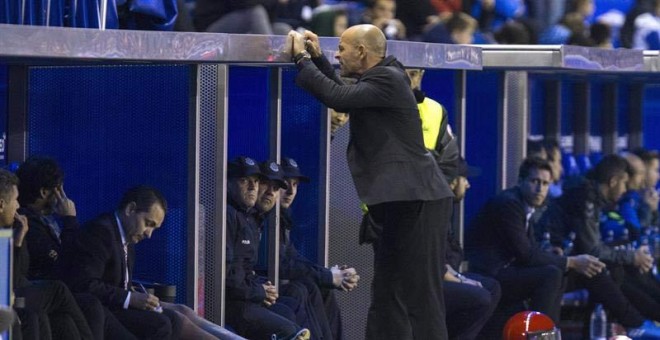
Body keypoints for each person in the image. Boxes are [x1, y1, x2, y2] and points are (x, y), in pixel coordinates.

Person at [288, 24, 454, 339]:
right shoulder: (381, 77)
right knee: (387, 291)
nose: (337, 55)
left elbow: (337, 95)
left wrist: (301, 60)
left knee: (421, 297)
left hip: (420, 201)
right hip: (399, 203)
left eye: (341, 49)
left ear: (362, 52)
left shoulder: (389, 79)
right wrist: (319, 59)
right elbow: (344, 93)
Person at [66, 186, 242, 339]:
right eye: (148, 223)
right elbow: (83, 284)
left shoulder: (127, 237)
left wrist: (137, 296)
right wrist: (130, 298)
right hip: (102, 311)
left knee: (178, 313)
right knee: (162, 324)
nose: (149, 234)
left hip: (116, 305)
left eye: (154, 228)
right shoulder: (100, 232)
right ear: (130, 209)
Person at [464, 158, 605, 335]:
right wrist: (571, 261)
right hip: (489, 274)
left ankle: (550, 331)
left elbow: (528, 249)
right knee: (551, 274)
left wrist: (554, 256)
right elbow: (526, 255)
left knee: (557, 271)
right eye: (535, 181)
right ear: (521, 181)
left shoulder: (525, 205)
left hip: (506, 270)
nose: (540, 189)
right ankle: (541, 334)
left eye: (545, 183)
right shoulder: (508, 204)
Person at [15, 156, 135, 340]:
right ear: (44, 192)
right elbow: (68, 264)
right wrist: (69, 221)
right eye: (59, 190)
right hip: (43, 289)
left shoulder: (45, 221)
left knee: (82, 311)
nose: (63, 196)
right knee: (90, 304)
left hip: (58, 296)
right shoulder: (29, 225)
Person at [538, 155, 660, 334]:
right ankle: (636, 323)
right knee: (601, 268)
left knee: (614, 266)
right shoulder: (585, 196)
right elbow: (591, 248)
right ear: (613, 181)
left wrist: (632, 255)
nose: (625, 189)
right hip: (556, 261)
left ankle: (634, 323)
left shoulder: (590, 194)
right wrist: (632, 256)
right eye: (624, 183)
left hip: (569, 258)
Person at [2, 168, 93, 340]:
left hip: (18, 293)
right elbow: (9, 286)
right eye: (15, 200)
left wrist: (18, 242)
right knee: (58, 290)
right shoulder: (22, 227)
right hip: (9, 298)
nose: (18, 206)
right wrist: (70, 221)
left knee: (60, 318)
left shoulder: (12, 227)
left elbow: (18, 274)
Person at [225, 157, 309, 340]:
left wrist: (261, 287)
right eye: (243, 181)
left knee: (291, 308)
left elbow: (245, 270)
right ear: (228, 184)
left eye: (255, 181)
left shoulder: (248, 218)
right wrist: (259, 291)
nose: (252, 187)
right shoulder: (227, 215)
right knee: (287, 329)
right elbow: (228, 277)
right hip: (229, 303)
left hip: (245, 297)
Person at [279, 157, 359, 340]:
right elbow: (283, 264)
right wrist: (328, 276)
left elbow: (294, 258)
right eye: (285, 184)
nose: (291, 191)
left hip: (272, 286)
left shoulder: (282, 217)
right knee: (305, 288)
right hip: (258, 287)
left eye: (295, 185)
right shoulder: (268, 218)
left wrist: (329, 274)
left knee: (322, 287)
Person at [442, 157, 501, 340]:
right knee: (480, 296)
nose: (467, 185)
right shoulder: (435, 210)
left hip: (445, 274)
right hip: (425, 283)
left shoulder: (446, 209)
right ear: (452, 182)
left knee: (492, 287)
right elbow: (436, 265)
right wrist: (460, 280)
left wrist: (459, 277)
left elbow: (448, 257)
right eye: (464, 179)